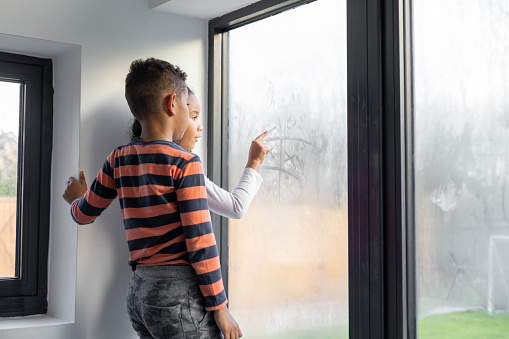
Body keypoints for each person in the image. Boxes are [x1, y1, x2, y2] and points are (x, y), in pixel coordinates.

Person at [62, 58, 241, 339]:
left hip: (139, 293)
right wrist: (220, 307)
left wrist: (78, 198)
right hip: (177, 294)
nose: (190, 115)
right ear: (172, 104)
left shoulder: (118, 159)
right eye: (187, 106)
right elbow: (200, 240)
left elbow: (83, 214)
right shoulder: (185, 163)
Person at [130, 88, 270, 220]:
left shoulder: (130, 161)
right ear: (173, 116)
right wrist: (254, 161)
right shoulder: (183, 167)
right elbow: (236, 207)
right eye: (194, 117)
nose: (200, 126)